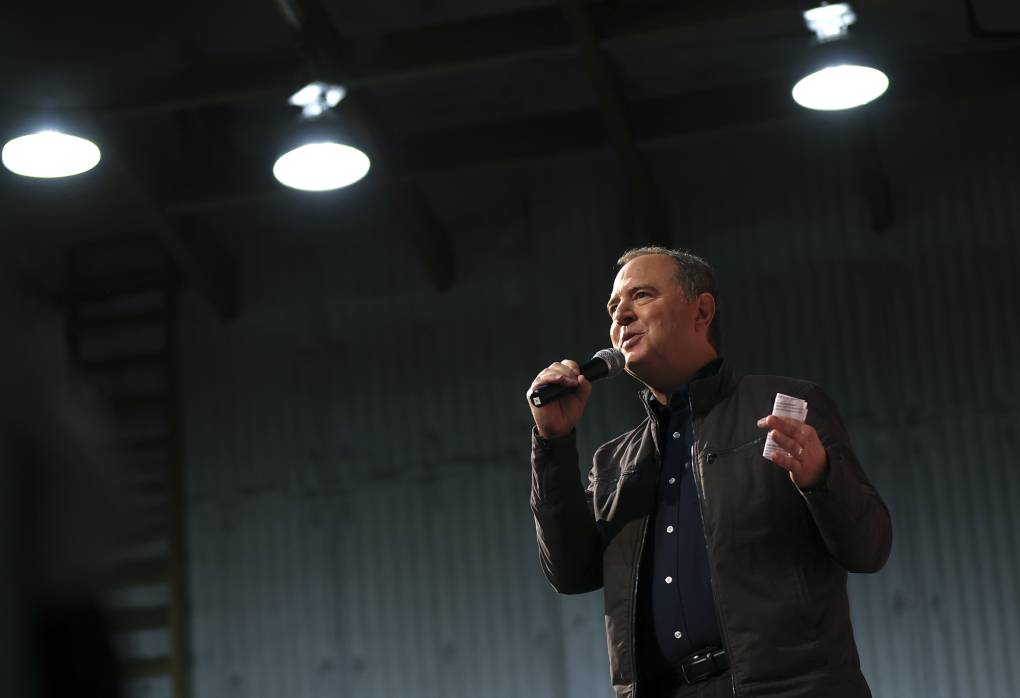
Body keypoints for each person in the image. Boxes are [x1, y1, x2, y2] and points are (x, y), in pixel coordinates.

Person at [527, 247, 892, 698]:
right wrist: (553, 443)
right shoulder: (614, 463)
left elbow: (870, 549)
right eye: (613, 306)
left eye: (640, 295)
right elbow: (569, 572)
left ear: (701, 311)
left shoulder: (786, 408)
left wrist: (821, 478)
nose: (621, 313)